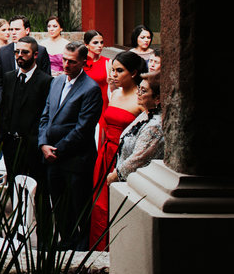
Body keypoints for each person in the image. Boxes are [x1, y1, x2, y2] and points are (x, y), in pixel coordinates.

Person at [38, 41, 103, 251]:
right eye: (64, 59)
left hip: (75, 159)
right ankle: (65, 241)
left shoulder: (91, 89)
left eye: (72, 62)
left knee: (79, 206)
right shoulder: (56, 83)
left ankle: (81, 248)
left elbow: (83, 128)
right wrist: (43, 144)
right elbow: (45, 116)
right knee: (59, 204)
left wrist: (58, 150)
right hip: (51, 156)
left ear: (83, 62)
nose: (66, 64)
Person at [89, 50, 143, 250]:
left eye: (119, 71)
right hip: (104, 154)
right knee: (99, 205)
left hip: (124, 157)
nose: (113, 75)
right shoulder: (115, 93)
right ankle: (98, 248)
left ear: (134, 73)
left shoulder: (141, 98)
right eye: (112, 70)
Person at [0, 36, 52, 188]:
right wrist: (3, 138)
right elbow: (5, 109)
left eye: (25, 52)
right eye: (17, 52)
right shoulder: (9, 77)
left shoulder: (46, 81)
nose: (19, 55)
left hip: (32, 147)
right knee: (13, 188)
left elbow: (45, 116)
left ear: (35, 55)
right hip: (10, 145)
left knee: (35, 191)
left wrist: (39, 142)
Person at [108, 72, 164, 184]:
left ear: (157, 98)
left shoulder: (155, 126)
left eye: (143, 91)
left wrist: (115, 176)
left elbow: (138, 159)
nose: (138, 93)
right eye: (139, 88)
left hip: (135, 182)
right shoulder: (145, 114)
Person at [0, 16, 52, 107]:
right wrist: (4, 102)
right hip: (8, 106)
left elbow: (46, 80)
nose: (13, 33)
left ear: (27, 30)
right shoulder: (4, 51)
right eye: (11, 29)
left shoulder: (40, 51)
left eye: (17, 29)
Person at [82, 30, 111, 111]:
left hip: (104, 104)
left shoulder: (108, 62)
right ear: (87, 45)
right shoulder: (81, 63)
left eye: (101, 42)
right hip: (86, 104)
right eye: (95, 43)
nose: (100, 45)